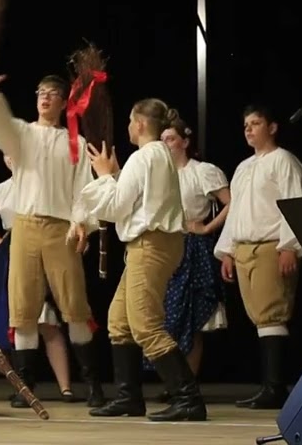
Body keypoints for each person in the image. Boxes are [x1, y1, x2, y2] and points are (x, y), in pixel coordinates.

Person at [0, 73, 107, 408]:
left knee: (74, 304)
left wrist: (81, 224)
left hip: (60, 227)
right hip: (25, 227)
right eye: (41, 92)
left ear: (64, 102)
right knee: (23, 307)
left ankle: (93, 385)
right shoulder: (24, 135)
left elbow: (82, 189)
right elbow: (0, 126)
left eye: (52, 94)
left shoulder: (73, 142)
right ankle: (25, 386)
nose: (45, 98)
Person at [81, 99, 207, 422]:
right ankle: (128, 397)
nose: (127, 127)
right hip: (158, 244)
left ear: (138, 124)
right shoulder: (160, 155)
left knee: (145, 325)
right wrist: (116, 175)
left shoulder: (143, 157)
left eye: (129, 121)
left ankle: (188, 398)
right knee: (118, 320)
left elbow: (118, 207)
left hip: (150, 245)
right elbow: (138, 198)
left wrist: (105, 176)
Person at [213, 105, 302, 410]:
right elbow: (236, 210)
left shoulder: (284, 161)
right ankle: (268, 385)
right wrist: (226, 250)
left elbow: (294, 203)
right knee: (258, 317)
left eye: (255, 123)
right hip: (244, 247)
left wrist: (289, 245)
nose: (249, 130)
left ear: (272, 127)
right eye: (245, 125)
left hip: (270, 245)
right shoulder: (243, 167)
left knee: (272, 313)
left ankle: (275, 387)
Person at [0, 155, 84, 404]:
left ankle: (66, 387)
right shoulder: (1, 190)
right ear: (5, 159)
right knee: (19, 319)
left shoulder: (45, 185)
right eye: (10, 155)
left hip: (45, 247)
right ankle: (24, 387)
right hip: (14, 251)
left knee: (48, 320)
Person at [154, 119, 229, 390]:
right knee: (166, 316)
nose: (166, 144)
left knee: (191, 315)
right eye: (162, 139)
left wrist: (207, 227)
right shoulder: (158, 174)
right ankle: (173, 382)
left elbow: (231, 203)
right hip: (165, 247)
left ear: (185, 142)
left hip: (192, 247)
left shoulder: (202, 171)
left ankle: (188, 383)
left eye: (171, 139)